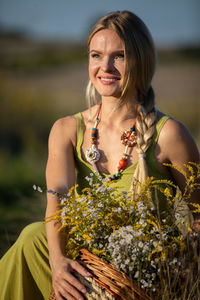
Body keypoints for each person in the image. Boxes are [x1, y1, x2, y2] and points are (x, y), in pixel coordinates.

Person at [0, 10, 199, 300]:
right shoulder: (67, 130)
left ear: (141, 61)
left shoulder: (169, 135)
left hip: (135, 277)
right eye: (96, 55)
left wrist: (179, 264)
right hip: (77, 266)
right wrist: (57, 264)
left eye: (119, 56)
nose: (105, 66)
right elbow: (58, 204)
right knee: (32, 237)